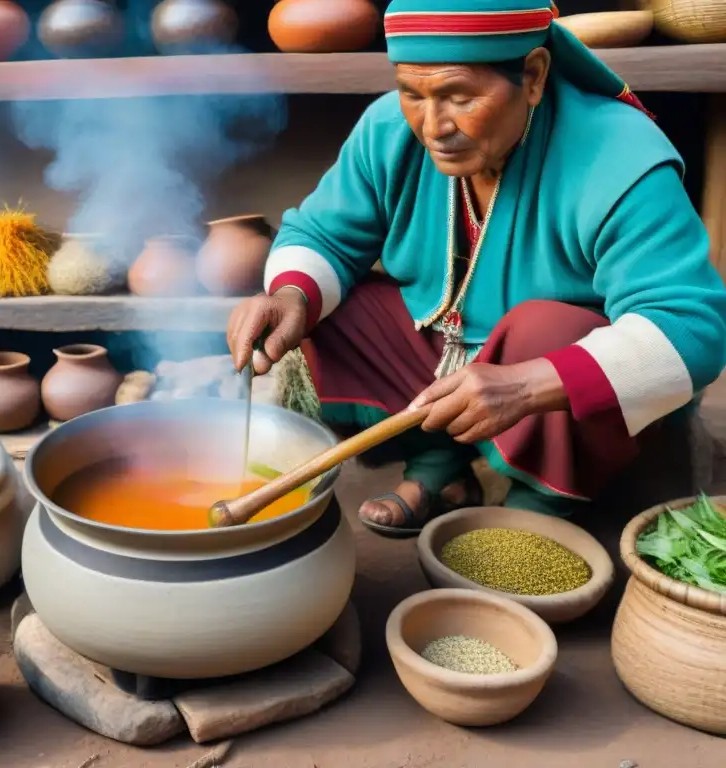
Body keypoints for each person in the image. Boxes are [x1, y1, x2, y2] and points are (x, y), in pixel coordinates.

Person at [226, 0, 726, 536]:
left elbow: (690, 329)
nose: (433, 126)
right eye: (413, 93)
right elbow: (323, 234)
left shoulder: (621, 153)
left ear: (532, 76)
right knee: (330, 313)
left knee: (544, 329)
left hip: (560, 387)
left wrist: (526, 386)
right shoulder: (389, 129)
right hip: (447, 345)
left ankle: (541, 504)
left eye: (459, 96)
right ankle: (440, 470)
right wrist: (291, 295)